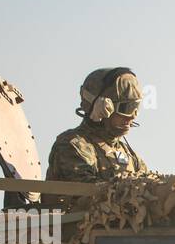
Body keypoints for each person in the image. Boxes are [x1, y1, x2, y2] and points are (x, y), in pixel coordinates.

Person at [45, 68, 149, 203]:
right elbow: (93, 193)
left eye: (136, 107)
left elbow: (146, 186)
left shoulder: (129, 154)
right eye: (126, 108)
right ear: (101, 107)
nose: (132, 116)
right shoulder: (72, 144)